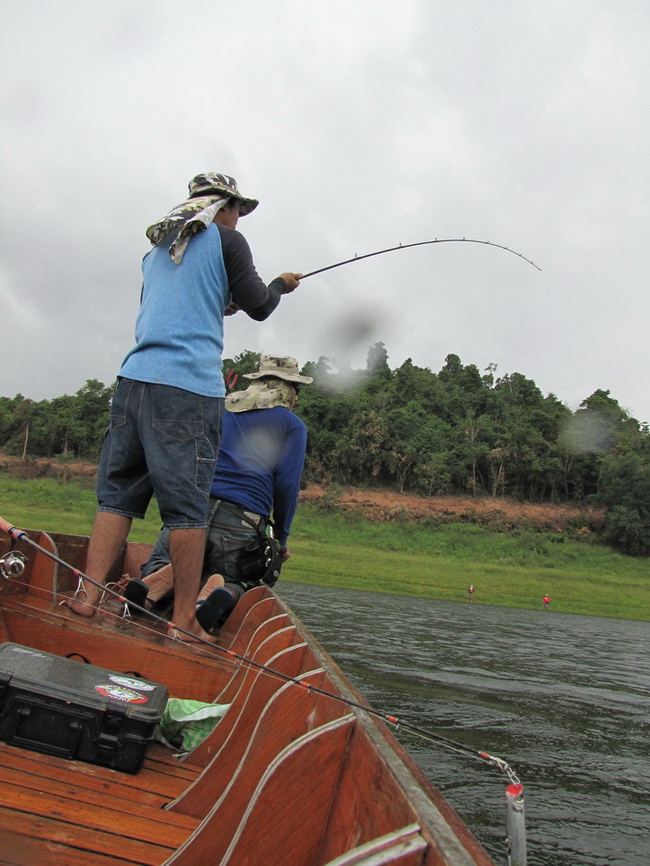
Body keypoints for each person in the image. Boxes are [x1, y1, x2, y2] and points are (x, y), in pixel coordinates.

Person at [66, 174, 302, 643]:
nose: (238, 219)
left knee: (117, 498)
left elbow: (176, 304)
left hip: (132, 380)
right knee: (188, 508)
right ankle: (184, 621)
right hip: (187, 387)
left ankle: (86, 599)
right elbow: (260, 307)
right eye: (238, 210)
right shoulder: (229, 240)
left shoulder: (156, 247)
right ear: (225, 206)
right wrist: (279, 283)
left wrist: (221, 300)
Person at [125, 354, 312, 632]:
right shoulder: (292, 425)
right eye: (296, 391)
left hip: (194, 505)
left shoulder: (220, 408)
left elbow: (188, 452)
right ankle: (219, 584)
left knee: (159, 561)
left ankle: (163, 577)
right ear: (289, 389)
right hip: (242, 521)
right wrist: (281, 539)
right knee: (241, 580)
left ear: (258, 381)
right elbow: (286, 486)